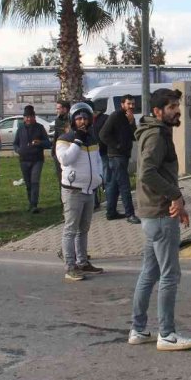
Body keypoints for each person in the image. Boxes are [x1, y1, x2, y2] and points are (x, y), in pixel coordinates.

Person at [129, 88, 191, 351]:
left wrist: (177, 200)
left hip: (152, 213)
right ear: (158, 111)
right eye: (171, 107)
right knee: (170, 274)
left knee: (150, 271)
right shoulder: (157, 135)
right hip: (159, 213)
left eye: (176, 106)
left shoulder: (153, 131)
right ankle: (166, 334)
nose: (177, 111)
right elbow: (147, 173)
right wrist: (175, 195)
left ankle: (138, 329)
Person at [56, 101, 105, 282]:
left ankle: (83, 261)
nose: (82, 121)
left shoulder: (92, 139)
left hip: (90, 189)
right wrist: (77, 140)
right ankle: (70, 266)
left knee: (83, 229)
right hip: (73, 190)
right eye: (78, 118)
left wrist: (100, 178)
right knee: (71, 229)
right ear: (72, 120)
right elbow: (65, 159)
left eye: (85, 118)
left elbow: (98, 160)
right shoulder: (65, 139)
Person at [100, 94, 140, 223]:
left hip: (123, 155)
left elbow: (134, 135)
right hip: (116, 156)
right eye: (129, 104)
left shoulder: (129, 117)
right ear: (122, 104)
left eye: (133, 104)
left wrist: (131, 122)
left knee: (114, 185)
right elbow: (103, 134)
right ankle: (130, 214)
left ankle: (111, 212)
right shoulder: (116, 116)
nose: (131, 106)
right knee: (124, 185)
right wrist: (116, 145)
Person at [13, 105, 51, 213]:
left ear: (34, 117)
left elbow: (48, 143)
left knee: (34, 181)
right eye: (26, 117)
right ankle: (30, 202)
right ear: (24, 118)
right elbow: (15, 144)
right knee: (28, 183)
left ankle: (34, 204)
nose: (28, 119)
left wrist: (40, 142)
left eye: (30, 116)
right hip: (24, 160)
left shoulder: (40, 128)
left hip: (37, 159)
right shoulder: (20, 128)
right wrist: (18, 150)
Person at [50, 99, 70, 184]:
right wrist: (53, 151)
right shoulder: (58, 120)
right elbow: (56, 136)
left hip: (69, 151)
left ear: (65, 109)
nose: (57, 110)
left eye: (58, 108)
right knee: (60, 177)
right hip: (59, 152)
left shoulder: (72, 120)